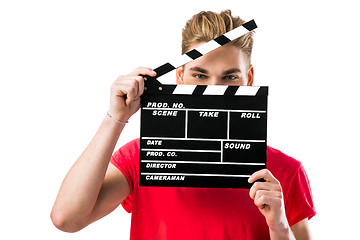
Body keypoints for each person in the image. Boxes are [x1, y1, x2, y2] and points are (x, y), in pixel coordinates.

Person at [51, 10, 316, 239]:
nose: (213, 89)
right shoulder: (144, 157)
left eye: (229, 77)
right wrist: (116, 117)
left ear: (248, 78)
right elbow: (66, 218)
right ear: (180, 77)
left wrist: (279, 225)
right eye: (200, 75)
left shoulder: (285, 172)